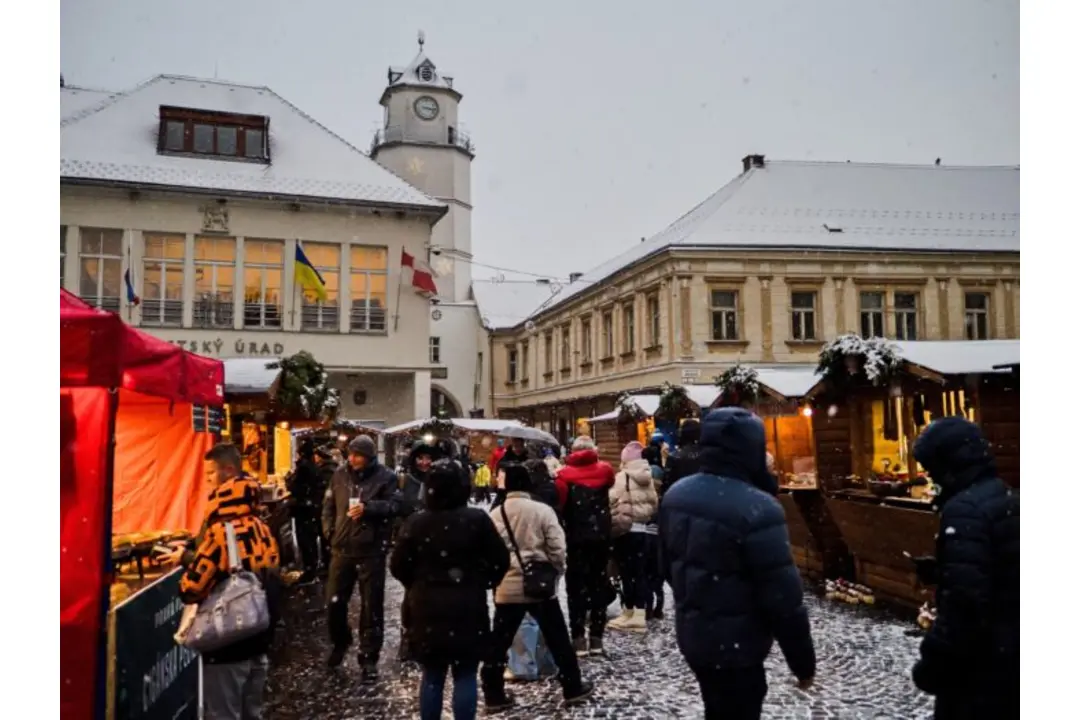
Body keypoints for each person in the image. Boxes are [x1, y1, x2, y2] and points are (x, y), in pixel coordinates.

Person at [659, 408, 815, 720]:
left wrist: (699, 598)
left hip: (695, 638)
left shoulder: (677, 495)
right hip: (739, 646)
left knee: (716, 706)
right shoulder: (757, 508)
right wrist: (802, 663)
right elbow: (783, 598)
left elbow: (667, 565)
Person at [909, 417, 1019, 719]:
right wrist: (942, 570)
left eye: (930, 468)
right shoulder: (1006, 497)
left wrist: (931, 665)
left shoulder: (965, 510)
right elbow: (1002, 570)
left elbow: (964, 607)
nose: (929, 476)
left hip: (980, 674)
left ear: (946, 464)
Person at [390, 459, 510, 720]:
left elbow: (398, 565)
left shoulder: (416, 523)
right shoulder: (476, 520)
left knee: (432, 675)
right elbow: (500, 560)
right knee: (465, 673)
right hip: (467, 604)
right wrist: (483, 580)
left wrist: (418, 583)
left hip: (425, 606)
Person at [179, 443, 282, 720]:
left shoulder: (220, 531)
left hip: (228, 644)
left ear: (228, 471)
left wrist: (185, 562)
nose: (208, 481)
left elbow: (192, 589)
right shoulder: (261, 525)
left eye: (211, 474)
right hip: (258, 638)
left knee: (223, 714)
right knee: (252, 713)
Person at [483, 464, 594, 711]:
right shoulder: (542, 510)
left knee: (499, 642)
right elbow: (557, 547)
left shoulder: (496, 514)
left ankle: (493, 692)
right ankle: (572, 686)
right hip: (540, 586)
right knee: (558, 638)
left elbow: (488, 552)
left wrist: (498, 576)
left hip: (507, 587)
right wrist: (555, 569)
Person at [321, 435, 402, 679]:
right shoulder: (339, 475)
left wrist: (369, 508)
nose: (352, 459)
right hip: (342, 548)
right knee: (334, 603)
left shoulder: (386, 477)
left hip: (371, 551)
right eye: (351, 454)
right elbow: (328, 506)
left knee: (371, 606)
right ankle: (340, 641)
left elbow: (395, 506)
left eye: (357, 455)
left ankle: (369, 656)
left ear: (368, 457)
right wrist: (329, 532)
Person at [555, 436, 616, 656]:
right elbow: (610, 484)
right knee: (599, 583)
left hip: (575, 538)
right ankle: (597, 638)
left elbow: (561, 504)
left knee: (576, 587)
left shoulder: (563, 475)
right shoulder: (605, 470)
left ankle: (579, 637)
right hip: (601, 536)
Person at [607, 441, 659, 633]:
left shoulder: (623, 476)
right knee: (640, 572)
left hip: (626, 530)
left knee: (627, 573)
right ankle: (639, 613)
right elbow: (654, 503)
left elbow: (612, 499)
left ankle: (630, 613)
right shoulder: (648, 476)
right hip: (643, 530)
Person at [396, 440, 438, 663]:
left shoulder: (439, 479)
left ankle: (430, 636)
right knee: (411, 593)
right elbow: (399, 507)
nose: (424, 462)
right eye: (420, 458)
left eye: (428, 458)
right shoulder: (406, 481)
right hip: (413, 543)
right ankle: (409, 637)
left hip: (436, 542)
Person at [287, 441, 322, 582]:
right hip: (310, 509)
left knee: (305, 540)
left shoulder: (304, 468)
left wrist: (289, 481)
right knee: (310, 540)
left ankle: (309, 571)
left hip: (303, 509)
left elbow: (296, 487)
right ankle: (313, 568)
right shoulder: (314, 467)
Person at [663, 418, 703, 494]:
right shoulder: (706, 455)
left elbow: (667, 484)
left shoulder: (674, 456)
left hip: (681, 496)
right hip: (702, 495)